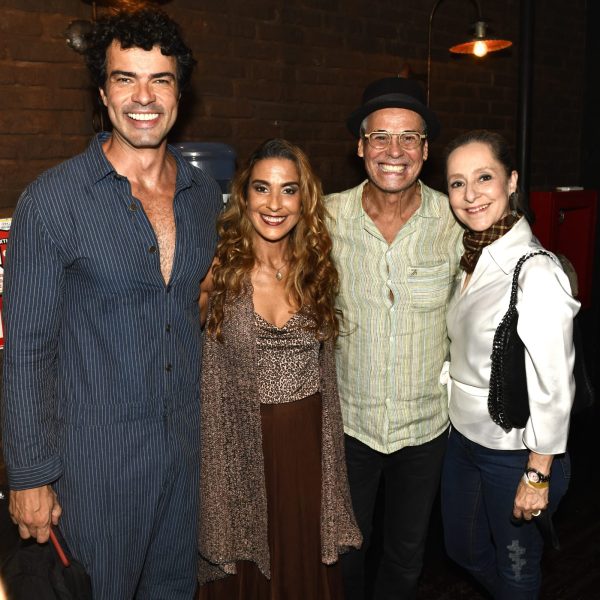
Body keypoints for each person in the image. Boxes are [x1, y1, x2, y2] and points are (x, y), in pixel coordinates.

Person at [2, 9, 222, 599]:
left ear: (181, 92)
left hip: (183, 459)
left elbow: (193, 311)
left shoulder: (204, 199)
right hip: (92, 470)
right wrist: (28, 476)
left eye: (161, 79)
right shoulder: (53, 201)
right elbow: (26, 347)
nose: (143, 97)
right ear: (103, 93)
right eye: (126, 78)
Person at [196, 138, 362, 599]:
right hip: (239, 446)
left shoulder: (316, 269)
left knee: (300, 560)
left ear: (304, 199)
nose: (274, 204)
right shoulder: (217, 270)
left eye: (288, 190)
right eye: (262, 189)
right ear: (243, 195)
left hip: (307, 446)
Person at [325, 77, 463, 599]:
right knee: (345, 550)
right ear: (360, 147)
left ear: (426, 152)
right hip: (349, 425)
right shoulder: (326, 217)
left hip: (425, 427)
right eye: (380, 137)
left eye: (409, 138)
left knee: (407, 555)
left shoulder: (454, 219)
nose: (394, 151)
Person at [441, 130, 579, 598]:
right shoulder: (473, 255)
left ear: (512, 180)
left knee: (518, 573)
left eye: (484, 177)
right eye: (457, 183)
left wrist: (537, 474)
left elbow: (555, 385)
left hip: (515, 452)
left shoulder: (535, 270)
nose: (470, 194)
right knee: (463, 550)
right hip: (462, 440)